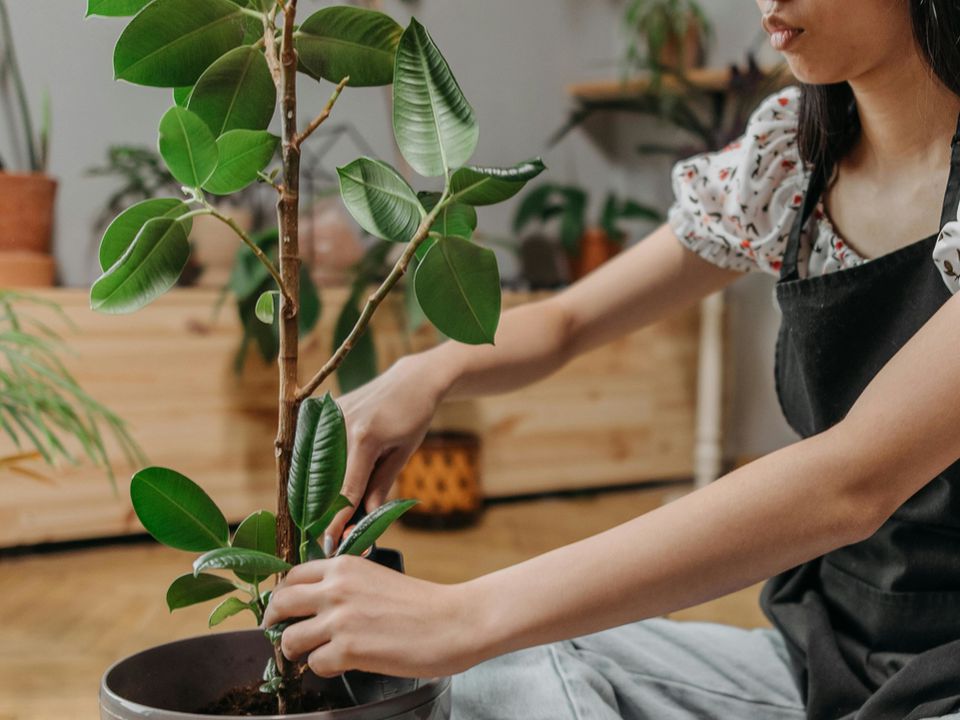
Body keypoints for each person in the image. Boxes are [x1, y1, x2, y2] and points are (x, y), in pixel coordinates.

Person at [262, 0, 960, 717]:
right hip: (827, 663)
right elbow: (568, 321)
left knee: (487, 636)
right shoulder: (791, 165)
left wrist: (463, 616)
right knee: (509, 671)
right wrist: (430, 373)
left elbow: (852, 482)